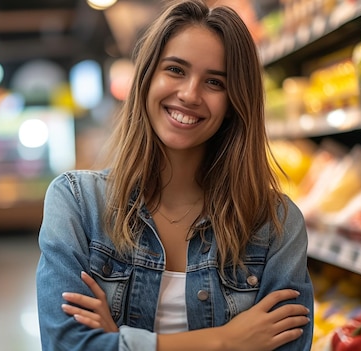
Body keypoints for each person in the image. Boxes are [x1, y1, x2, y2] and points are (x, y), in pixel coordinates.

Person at [36, 0, 314, 350]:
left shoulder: (275, 224)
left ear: (234, 103)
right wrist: (226, 340)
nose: (189, 94)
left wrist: (116, 341)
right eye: (176, 70)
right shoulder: (78, 204)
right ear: (148, 77)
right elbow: (66, 344)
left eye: (214, 82)